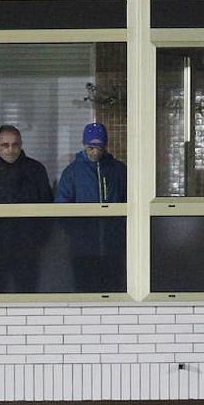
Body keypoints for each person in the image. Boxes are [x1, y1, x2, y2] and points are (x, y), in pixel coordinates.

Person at [0, 125, 53, 293]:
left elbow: (47, 208)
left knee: (26, 294)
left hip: (26, 248)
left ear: (21, 144)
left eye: (15, 145)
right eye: (5, 145)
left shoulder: (35, 170)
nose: (11, 150)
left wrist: (38, 241)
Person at [54, 122, 127, 292]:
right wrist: (75, 231)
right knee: (85, 291)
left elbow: (129, 200)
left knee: (113, 290)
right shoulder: (72, 172)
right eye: (91, 148)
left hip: (113, 246)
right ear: (84, 145)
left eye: (99, 147)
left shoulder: (118, 170)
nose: (95, 152)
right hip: (83, 248)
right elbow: (61, 207)